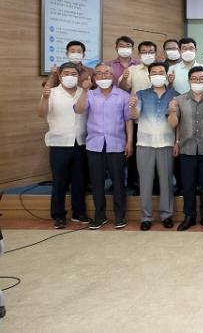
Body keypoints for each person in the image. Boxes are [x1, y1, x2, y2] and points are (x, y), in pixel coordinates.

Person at [74, 63, 133, 230]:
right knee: (97, 182)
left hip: (117, 144)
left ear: (112, 75)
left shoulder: (123, 95)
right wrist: (84, 90)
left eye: (107, 73)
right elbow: (78, 110)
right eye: (99, 73)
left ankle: (120, 216)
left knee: (118, 182)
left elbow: (128, 120)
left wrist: (129, 142)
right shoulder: (90, 94)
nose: (103, 76)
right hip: (94, 145)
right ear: (94, 77)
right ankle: (99, 216)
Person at [168, 66, 203, 231]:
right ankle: (189, 216)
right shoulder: (179, 99)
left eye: (201, 78)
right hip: (186, 149)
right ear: (189, 80)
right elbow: (174, 124)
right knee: (188, 185)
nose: (198, 81)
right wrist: (172, 112)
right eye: (194, 78)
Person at [38, 62, 89, 229]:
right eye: (66, 73)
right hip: (59, 143)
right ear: (60, 76)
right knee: (59, 181)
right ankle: (58, 215)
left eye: (74, 74)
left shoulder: (84, 91)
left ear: (78, 76)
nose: (70, 76)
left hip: (80, 142)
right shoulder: (51, 92)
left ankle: (79, 212)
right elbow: (42, 113)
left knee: (79, 180)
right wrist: (45, 98)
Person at [130, 62, 176, 231]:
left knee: (166, 181)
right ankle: (146, 217)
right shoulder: (141, 94)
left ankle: (166, 215)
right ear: (149, 76)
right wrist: (133, 106)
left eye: (161, 72)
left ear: (166, 75)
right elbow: (134, 115)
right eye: (154, 73)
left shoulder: (174, 95)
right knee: (145, 182)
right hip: (145, 144)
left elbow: (175, 123)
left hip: (166, 143)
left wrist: (172, 111)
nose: (158, 75)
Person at [120, 40, 160, 194]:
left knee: (157, 153)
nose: (147, 54)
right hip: (138, 118)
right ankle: (136, 183)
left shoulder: (162, 69)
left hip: (158, 120)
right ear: (139, 54)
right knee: (138, 155)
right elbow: (124, 88)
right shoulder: (133, 70)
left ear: (156, 54)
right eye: (144, 52)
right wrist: (124, 78)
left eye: (151, 51)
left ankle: (156, 184)